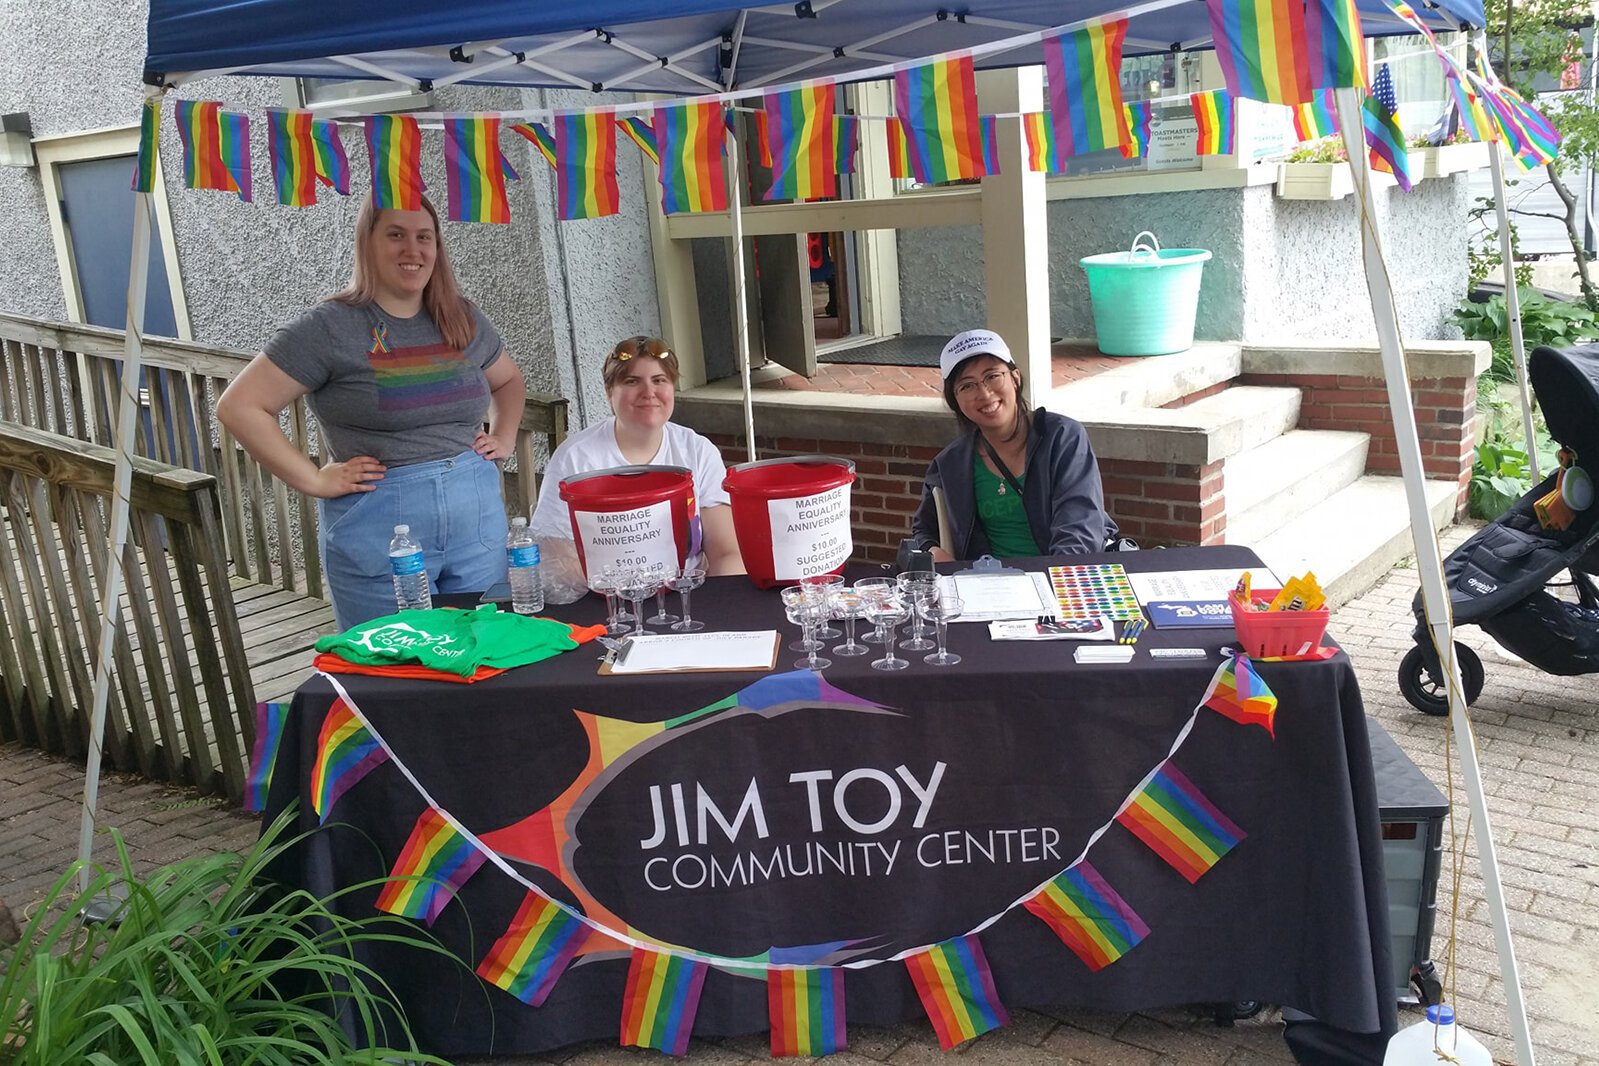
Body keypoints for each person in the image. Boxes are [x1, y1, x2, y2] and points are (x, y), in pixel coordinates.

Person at [217, 195, 527, 630]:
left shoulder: (460, 318)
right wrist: (311, 478)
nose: (412, 250)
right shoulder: (328, 327)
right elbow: (240, 406)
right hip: (382, 533)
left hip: (475, 521)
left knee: (483, 657)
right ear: (367, 242)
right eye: (395, 235)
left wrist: (506, 436)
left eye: (424, 237)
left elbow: (509, 381)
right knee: (391, 671)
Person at [530, 336, 745, 577]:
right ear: (609, 392)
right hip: (607, 603)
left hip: (686, 597)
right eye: (632, 381)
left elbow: (727, 552)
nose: (648, 392)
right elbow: (557, 562)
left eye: (659, 380)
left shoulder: (697, 450)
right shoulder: (575, 458)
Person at [910, 329, 1114, 562]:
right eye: (967, 385)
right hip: (989, 585)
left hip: (1059, 578)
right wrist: (933, 551)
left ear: (1015, 378)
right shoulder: (950, 464)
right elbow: (923, 529)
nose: (985, 393)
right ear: (954, 399)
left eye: (993, 376)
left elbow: (1080, 531)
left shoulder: (1062, 438)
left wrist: (1052, 580)